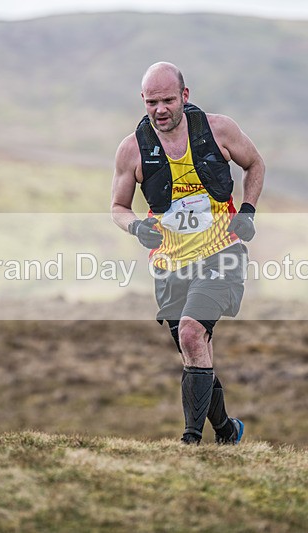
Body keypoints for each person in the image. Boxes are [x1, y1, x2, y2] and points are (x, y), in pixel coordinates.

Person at [111, 62, 265, 445]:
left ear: (184, 96)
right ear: (142, 102)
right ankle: (228, 431)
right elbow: (118, 207)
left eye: (166, 100)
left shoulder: (219, 130)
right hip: (169, 264)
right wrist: (136, 226)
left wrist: (247, 211)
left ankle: (190, 442)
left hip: (220, 254)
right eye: (151, 102)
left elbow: (255, 164)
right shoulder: (132, 150)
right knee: (195, 352)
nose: (160, 109)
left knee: (194, 335)